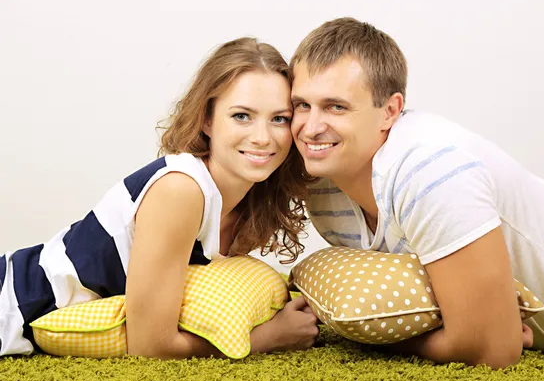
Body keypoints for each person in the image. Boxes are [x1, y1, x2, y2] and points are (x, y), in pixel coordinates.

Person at [289, 17, 544, 369]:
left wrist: (376, 342)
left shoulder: (428, 166)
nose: (311, 128)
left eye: (336, 106)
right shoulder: (324, 189)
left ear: (389, 111)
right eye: (302, 105)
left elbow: (493, 350)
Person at [0, 37, 319, 358]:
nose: (263, 138)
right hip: (11, 306)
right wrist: (269, 337)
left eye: (279, 118)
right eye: (241, 116)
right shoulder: (180, 189)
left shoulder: (252, 196)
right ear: (207, 119)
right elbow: (149, 346)